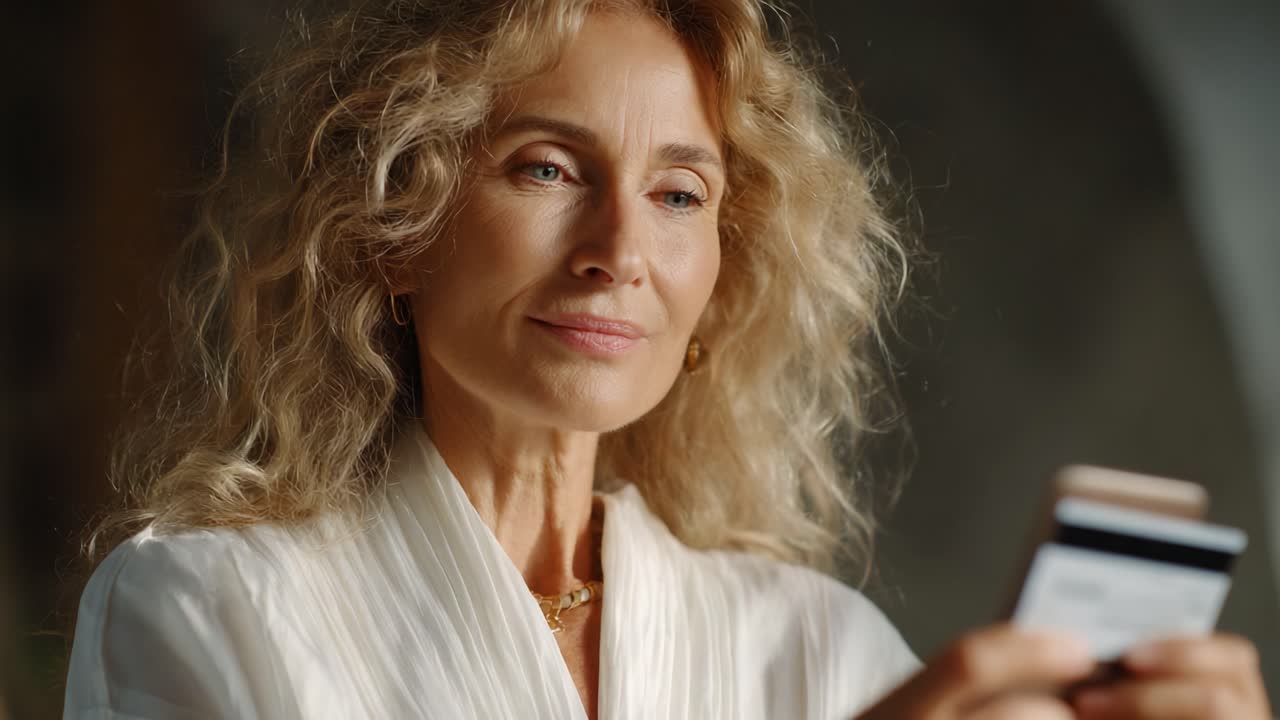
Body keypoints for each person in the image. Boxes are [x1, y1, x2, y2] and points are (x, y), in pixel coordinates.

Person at [63, 1, 1271, 718]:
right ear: (394, 225)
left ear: (718, 283)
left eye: (679, 193)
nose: (620, 251)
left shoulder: (815, 647)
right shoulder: (206, 608)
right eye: (545, 168)